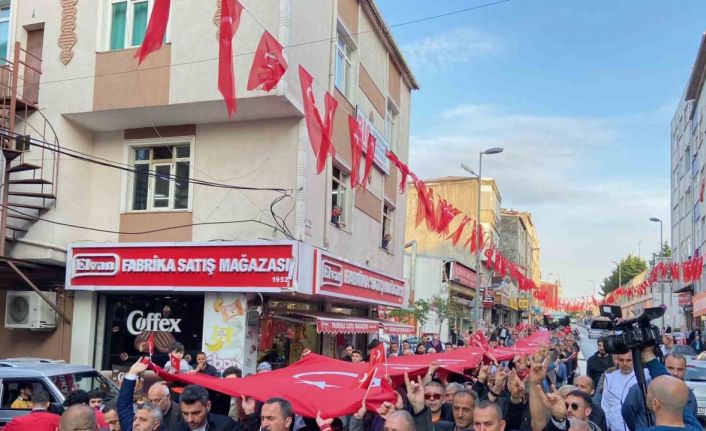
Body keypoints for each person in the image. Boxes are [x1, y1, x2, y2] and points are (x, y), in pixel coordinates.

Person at [621, 352, 698, 431]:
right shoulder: (641, 388)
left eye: (680, 369)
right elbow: (627, 412)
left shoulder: (687, 393)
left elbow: (690, 416)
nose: (675, 373)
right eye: (670, 368)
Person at [600, 352, 638, 431]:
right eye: (621, 360)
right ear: (617, 360)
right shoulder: (609, 378)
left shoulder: (643, 376)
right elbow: (605, 406)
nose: (625, 363)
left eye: (628, 360)